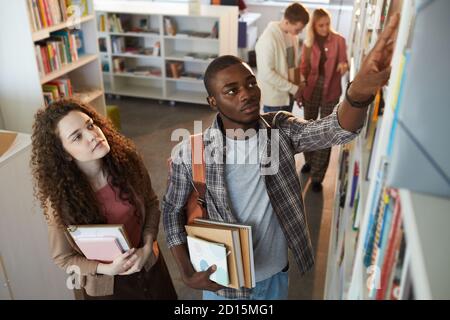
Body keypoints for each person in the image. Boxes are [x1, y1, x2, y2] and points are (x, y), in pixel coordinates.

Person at [163, 14, 400, 300]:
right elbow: (171, 210)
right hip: (224, 285)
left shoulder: (280, 129)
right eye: (231, 90)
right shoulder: (191, 151)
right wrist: (186, 271)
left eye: (250, 84)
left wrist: (358, 92)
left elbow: (333, 130)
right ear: (213, 102)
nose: (246, 94)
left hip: (276, 275)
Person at [31, 99, 177, 300]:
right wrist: (106, 268)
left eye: (90, 125)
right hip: (107, 287)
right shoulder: (60, 200)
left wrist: (146, 246)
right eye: (77, 137)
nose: (92, 135)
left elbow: (151, 204)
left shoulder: (128, 163)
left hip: (149, 265)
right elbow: (64, 258)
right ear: (64, 155)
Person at [299, 8, 349, 192]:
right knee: (307, 127)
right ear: (314, 25)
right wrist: (300, 89)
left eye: (327, 24)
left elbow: (344, 61)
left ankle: (318, 176)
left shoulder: (339, 41)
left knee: (326, 131)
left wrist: (344, 66)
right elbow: (303, 68)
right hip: (311, 88)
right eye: (321, 25)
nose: (325, 28)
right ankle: (309, 162)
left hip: (331, 88)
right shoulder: (308, 43)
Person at [255, 2, 309, 113]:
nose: (300, 32)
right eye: (298, 29)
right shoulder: (267, 39)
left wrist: (301, 83)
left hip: (289, 95)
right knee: (273, 131)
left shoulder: (292, 36)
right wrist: (295, 89)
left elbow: (292, 65)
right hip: (274, 101)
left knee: (285, 130)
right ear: (287, 21)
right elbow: (267, 74)